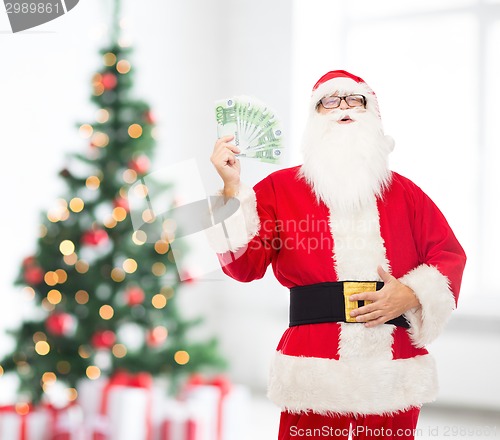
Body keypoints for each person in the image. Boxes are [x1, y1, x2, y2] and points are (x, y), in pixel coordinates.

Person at [208, 70, 466, 440]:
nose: (343, 106)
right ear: (314, 118)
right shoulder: (279, 189)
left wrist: (411, 293)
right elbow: (243, 266)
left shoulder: (406, 194)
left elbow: (449, 254)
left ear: (372, 116)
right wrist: (231, 189)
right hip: (313, 367)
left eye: (354, 99)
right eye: (330, 100)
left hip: (391, 368)